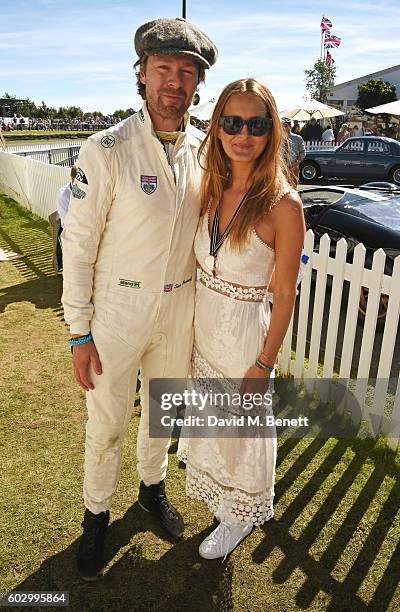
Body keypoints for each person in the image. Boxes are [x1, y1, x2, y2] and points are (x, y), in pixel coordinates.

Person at [61, 17, 218, 581]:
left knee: (161, 416)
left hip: (179, 309)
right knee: (105, 424)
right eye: (163, 69)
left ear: (197, 83)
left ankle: (152, 492)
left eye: (187, 72)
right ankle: (95, 517)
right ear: (142, 74)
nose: (175, 82)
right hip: (116, 312)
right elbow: (78, 246)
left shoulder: (208, 150)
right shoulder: (107, 149)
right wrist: (79, 331)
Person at [177, 78, 305, 559]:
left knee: (243, 434)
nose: (242, 134)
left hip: (244, 342)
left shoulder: (283, 205)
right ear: (218, 126)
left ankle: (239, 516)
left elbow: (285, 295)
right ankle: (222, 500)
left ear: (271, 131)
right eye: (232, 122)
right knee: (212, 424)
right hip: (203, 331)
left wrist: (264, 364)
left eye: (256, 123)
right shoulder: (210, 186)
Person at [282, 118, 306, 188]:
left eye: (286, 125)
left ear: (290, 126)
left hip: (293, 166)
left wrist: (297, 163)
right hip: (281, 167)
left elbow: (303, 152)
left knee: (293, 188)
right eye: (282, 125)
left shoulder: (298, 138)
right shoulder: (278, 138)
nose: (284, 127)